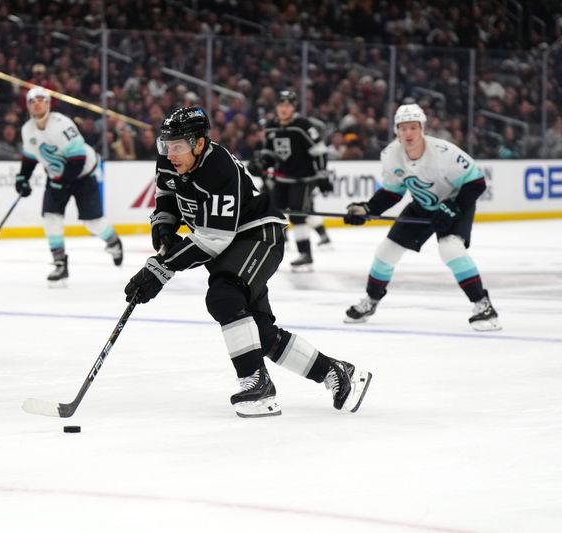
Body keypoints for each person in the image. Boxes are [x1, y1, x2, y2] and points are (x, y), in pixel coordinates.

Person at [123, 106, 372, 418]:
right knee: (259, 333)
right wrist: (163, 231)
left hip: (258, 235)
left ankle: (257, 385)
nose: (171, 154)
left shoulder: (218, 167)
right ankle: (334, 372)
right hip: (231, 244)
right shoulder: (170, 160)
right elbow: (167, 195)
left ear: (199, 143)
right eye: (167, 145)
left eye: (178, 146)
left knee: (223, 297)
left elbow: (215, 239)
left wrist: (161, 268)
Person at [343, 103, 501, 331]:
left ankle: (483, 306)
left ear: (422, 128)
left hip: (455, 203)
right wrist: (367, 208)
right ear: (396, 130)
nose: (408, 133)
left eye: (413, 127)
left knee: (450, 249)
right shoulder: (390, 155)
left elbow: (476, 182)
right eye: (403, 128)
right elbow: (391, 192)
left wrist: (454, 207)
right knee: (386, 252)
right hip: (422, 205)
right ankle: (371, 301)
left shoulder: (445, 153)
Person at [15, 86, 123, 285]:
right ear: (28, 106)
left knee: (93, 223)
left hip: (83, 175)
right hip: (57, 177)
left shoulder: (62, 125)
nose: (37, 103)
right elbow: (30, 157)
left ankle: (113, 242)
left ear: (48, 103)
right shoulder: (27, 129)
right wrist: (22, 178)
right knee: (50, 217)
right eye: (32, 101)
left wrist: (62, 183)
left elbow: (78, 159)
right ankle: (59, 264)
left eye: (41, 99)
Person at [247, 90, 333, 271]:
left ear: (294, 107)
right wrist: (261, 164)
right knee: (273, 213)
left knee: (297, 214)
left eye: (288, 105)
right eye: (281, 105)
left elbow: (320, 151)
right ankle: (271, 248)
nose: (284, 109)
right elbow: (271, 155)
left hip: (303, 179)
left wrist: (323, 175)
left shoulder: (302, 125)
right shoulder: (271, 126)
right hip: (282, 179)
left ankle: (305, 254)